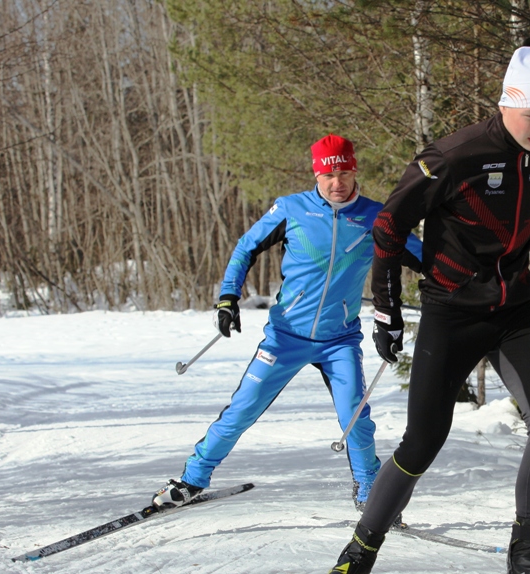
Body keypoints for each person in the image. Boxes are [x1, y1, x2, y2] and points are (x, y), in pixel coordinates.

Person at [324, 42, 530, 574]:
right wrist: (385, 309)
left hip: (514, 307)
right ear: (506, 106)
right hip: (452, 311)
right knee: (424, 439)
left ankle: (526, 559)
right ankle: (360, 550)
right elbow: (388, 228)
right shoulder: (456, 155)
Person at [152, 134, 421, 513]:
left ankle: (370, 492)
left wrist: (461, 278)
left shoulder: (375, 218)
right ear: (316, 173)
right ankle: (192, 479)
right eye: (328, 174)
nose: (337, 183)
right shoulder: (291, 209)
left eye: (344, 172)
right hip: (285, 337)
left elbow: (426, 257)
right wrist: (229, 296)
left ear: (354, 170)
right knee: (243, 408)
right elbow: (246, 247)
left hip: (338, 340)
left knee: (354, 417)